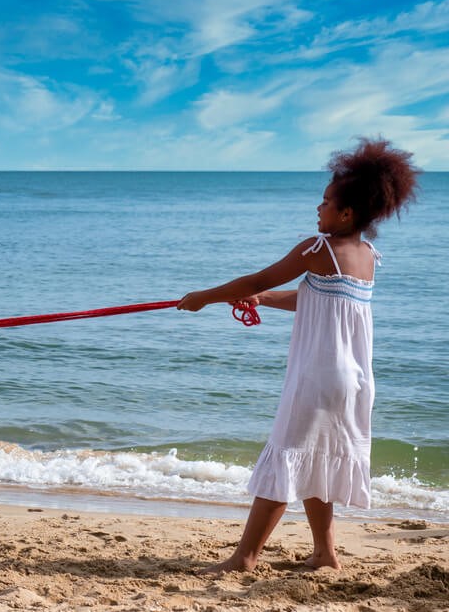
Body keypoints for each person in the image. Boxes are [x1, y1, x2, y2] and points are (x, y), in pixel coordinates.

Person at [177, 138, 419, 573]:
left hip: (319, 373)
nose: (318, 208)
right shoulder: (365, 256)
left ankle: (245, 558)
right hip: (352, 378)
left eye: (326, 202)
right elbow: (317, 299)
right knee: (317, 456)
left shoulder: (317, 248)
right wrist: (264, 299)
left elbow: (256, 276)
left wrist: (204, 297)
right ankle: (325, 555)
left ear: (346, 213)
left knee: (287, 453)